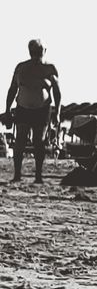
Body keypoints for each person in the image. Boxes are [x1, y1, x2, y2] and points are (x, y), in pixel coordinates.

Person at [4, 39, 61, 184]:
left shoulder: (49, 68)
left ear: (44, 52)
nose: (37, 55)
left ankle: (38, 176)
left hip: (42, 110)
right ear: (30, 52)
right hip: (23, 108)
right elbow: (12, 89)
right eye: (34, 52)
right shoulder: (21, 68)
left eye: (39, 52)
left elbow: (57, 92)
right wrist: (7, 109)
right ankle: (17, 175)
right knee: (20, 141)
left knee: (39, 141)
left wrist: (58, 112)